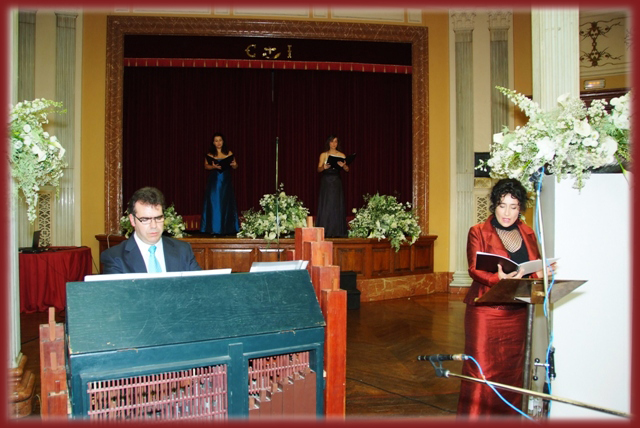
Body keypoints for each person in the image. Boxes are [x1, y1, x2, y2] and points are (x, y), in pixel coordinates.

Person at [456, 178, 556, 419]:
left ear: (521, 208)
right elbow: (474, 269)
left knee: (512, 369)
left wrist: (540, 273)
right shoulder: (478, 231)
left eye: (514, 206)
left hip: (518, 310)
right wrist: (496, 279)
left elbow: (530, 266)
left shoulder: (528, 232)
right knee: (482, 369)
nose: (507, 213)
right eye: (502, 206)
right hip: (486, 310)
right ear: (494, 205)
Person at [100, 187, 201, 274]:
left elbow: (200, 287)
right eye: (145, 219)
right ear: (132, 220)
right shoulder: (115, 257)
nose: (154, 225)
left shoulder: (183, 250)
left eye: (158, 218)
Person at [200, 132, 240, 236]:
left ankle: (227, 228)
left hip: (226, 181)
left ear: (223, 141)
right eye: (216, 141)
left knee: (226, 203)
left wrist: (234, 165)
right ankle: (214, 228)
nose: (218, 143)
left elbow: (235, 166)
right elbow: (206, 166)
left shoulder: (229, 153)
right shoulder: (210, 154)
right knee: (215, 203)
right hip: (214, 181)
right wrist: (213, 167)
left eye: (220, 140)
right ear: (213, 142)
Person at [315, 135, 349, 238]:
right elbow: (318, 169)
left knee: (336, 204)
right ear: (328, 143)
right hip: (326, 181)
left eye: (336, 142)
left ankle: (337, 231)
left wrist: (344, 166)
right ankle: (325, 230)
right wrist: (324, 167)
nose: (334, 144)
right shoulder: (323, 154)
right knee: (326, 204)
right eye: (332, 141)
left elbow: (347, 170)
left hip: (336, 181)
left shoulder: (341, 155)